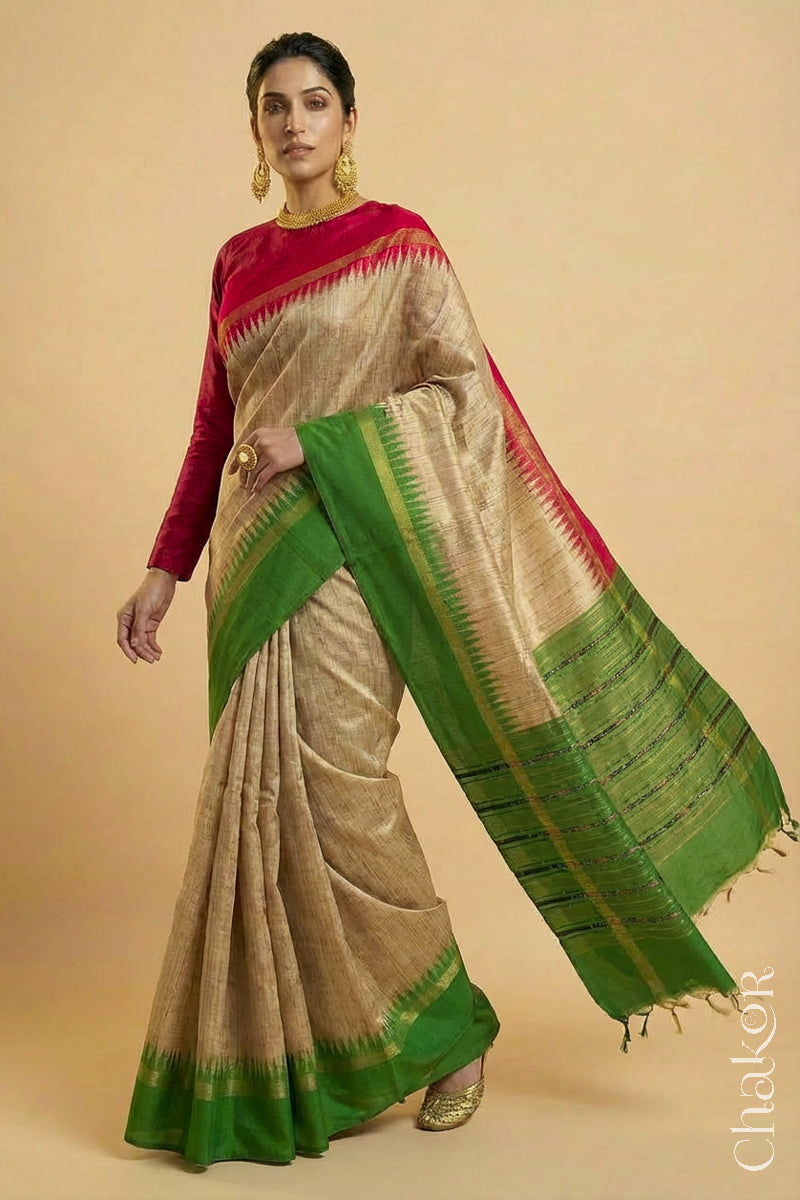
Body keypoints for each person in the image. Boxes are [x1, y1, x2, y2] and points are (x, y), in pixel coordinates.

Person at [118, 31, 796, 1169]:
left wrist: (319, 442)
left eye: (315, 103)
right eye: (273, 107)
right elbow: (209, 430)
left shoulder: (398, 246)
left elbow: (461, 395)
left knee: (338, 798)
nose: (293, 124)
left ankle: (450, 1034)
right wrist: (163, 566)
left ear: (346, 121)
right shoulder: (235, 263)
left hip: (349, 556)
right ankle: (320, 1053)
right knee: (264, 819)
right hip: (249, 569)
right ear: (252, 129)